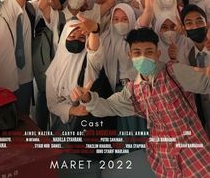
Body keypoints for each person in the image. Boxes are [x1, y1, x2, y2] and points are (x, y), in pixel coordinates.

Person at [70, 27, 210, 178]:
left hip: (193, 150)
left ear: (158, 54)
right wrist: (88, 99)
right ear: (130, 55)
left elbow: (206, 83)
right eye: (137, 53)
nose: (143, 57)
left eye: (149, 52)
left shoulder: (175, 72)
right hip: (162, 156)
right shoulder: (133, 90)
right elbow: (108, 106)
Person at [45, 17, 104, 131]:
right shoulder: (54, 69)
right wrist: (74, 111)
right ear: (63, 39)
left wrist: (94, 30)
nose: (76, 40)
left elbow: (94, 52)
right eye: (72, 37)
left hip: (90, 122)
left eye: (82, 38)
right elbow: (52, 104)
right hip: (66, 125)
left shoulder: (90, 62)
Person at [180, 4, 210, 137]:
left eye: (199, 21)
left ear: (207, 24)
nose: (195, 26)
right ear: (184, 29)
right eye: (189, 23)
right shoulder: (188, 55)